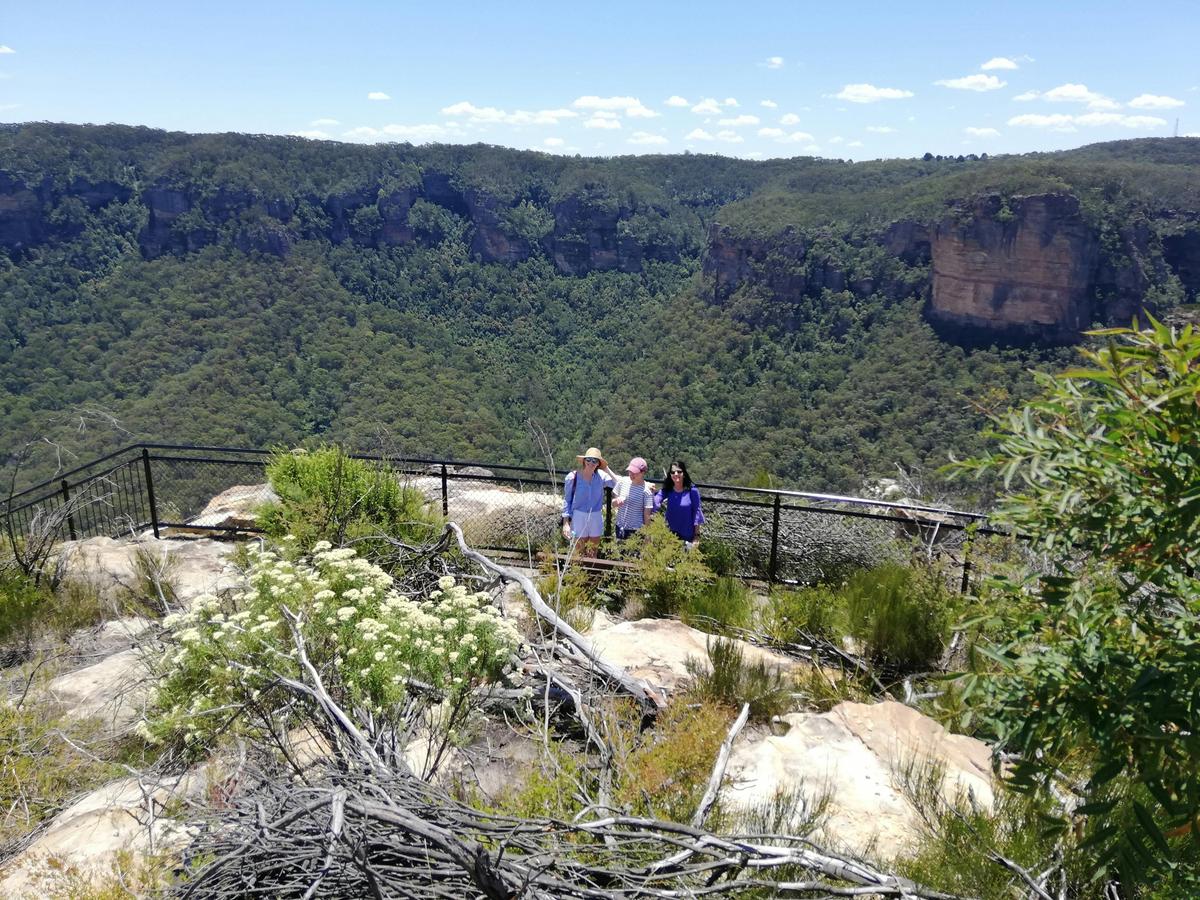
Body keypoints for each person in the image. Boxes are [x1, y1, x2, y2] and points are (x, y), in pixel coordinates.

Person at [561, 447, 614, 558]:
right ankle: (577, 574)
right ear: (584, 461)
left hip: (595, 515)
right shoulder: (573, 477)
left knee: (592, 552)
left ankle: (590, 574)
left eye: (595, 461)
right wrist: (566, 523)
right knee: (578, 551)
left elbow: (618, 483)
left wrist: (606, 469)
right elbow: (567, 500)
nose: (591, 463)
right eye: (589, 459)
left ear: (598, 464)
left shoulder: (601, 477)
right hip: (579, 515)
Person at [654, 459, 704, 549]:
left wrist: (696, 536)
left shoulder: (692, 490)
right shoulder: (668, 489)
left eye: (679, 471)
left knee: (685, 561)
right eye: (673, 472)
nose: (676, 474)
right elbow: (657, 499)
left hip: (687, 535)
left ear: (684, 473)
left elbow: (697, 511)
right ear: (670, 474)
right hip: (670, 534)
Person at [604, 456, 654, 540]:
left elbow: (647, 515)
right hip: (620, 527)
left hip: (636, 531)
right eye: (630, 471)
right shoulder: (622, 482)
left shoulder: (647, 491)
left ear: (642, 472)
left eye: (634, 472)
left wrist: (647, 536)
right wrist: (616, 502)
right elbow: (613, 503)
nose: (631, 474)